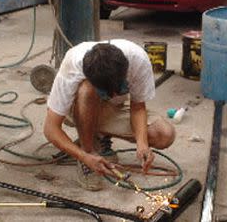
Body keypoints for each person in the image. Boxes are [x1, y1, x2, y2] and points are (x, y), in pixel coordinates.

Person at [43, 39, 176, 191]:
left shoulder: (138, 59)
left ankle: (99, 136)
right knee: (86, 90)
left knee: (164, 134)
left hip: (112, 109)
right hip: (78, 107)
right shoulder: (73, 64)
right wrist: (83, 156)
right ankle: (89, 149)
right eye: (107, 91)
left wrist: (142, 144)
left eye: (117, 89)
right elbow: (50, 128)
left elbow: (138, 107)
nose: (113, 94)